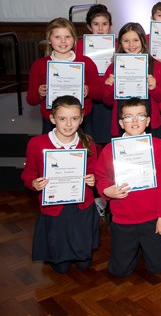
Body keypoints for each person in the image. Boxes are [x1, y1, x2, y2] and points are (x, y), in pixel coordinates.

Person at [95, 98, 161, 277]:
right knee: (119, 271)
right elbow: (101, 177)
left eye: (140, 116)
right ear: (121, 123)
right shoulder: (110, 149)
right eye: (129, 117)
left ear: (148, 121)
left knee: (159, 267)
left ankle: (148, 250)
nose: (135, 121)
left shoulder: (159, 146)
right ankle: (134, 250)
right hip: (123, 218)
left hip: (152, 218)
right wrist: (106, 191)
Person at [22, 96, 100, 274]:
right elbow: (28, 173)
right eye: (62, 118)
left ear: (81, 119)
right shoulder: (37, 144)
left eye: (74, 118)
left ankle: (80, 252)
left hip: (82, 206)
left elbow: (96, 171)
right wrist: (34, 183)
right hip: (55, 207)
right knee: (61, 267)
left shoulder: (88, 143)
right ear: (52, 119)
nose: (68, 124)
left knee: (84, 263)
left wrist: (93, 179)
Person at [27, 18, 102, 134]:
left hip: (82, 117)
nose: (63, 41)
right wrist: (40, 93)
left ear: (74, 39)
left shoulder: (87, 63)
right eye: (57, 37)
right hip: (51, 118)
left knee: (85, 150)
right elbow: (31, 100)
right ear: (49, 40)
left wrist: (88, 90)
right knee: (53, 151)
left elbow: (99, 94)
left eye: (67, 37)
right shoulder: (39, 66)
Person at [102, 22, 161, 138]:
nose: (131, 45)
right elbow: (107, 101)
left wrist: (154, 88)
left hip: (150, 124)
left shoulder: (157, 66)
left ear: (143, 41)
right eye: (126, 41)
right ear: (120, 43)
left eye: (135, 40)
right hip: (122, 123)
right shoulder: (113, 67)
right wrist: (109, 86)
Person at [77, 4, 114, 148]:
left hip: (107, 93)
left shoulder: (116, 45)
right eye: (96, 24)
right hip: (88, 94)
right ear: (89, 26)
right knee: (89, 135)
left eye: (104, 24)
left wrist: (116, 62)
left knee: (106, 135)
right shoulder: (80, 45)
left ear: (110, 26)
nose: (100, 28)